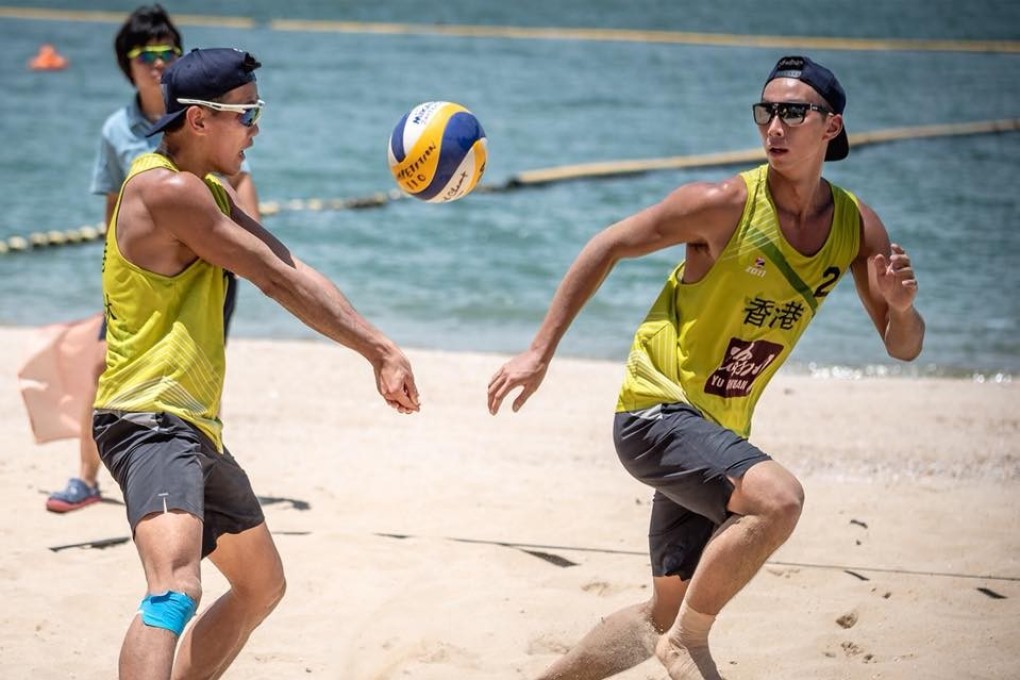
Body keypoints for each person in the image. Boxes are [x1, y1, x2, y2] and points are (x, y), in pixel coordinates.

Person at [487, 55, 924, 680]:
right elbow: (608, 242)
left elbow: (902, 345)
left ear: (831, 126)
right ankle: (690, 643)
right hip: (655, 412)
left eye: (793, 112)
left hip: (717, 433)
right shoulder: (722, 204)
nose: (775, 125)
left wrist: (902, 309)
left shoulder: (856, 227)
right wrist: (540, 351)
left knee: (659, 616)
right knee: (779, 502)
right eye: (766, 111)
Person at [90, 47, 420, 678]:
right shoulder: (167, 190)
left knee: (261, 586)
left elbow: (288, 263)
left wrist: (381, 344)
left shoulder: (209, 190)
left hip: (192, 427)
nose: (257, 129)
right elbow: (273, 280)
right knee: (173, 592)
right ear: (199, 121)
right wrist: (374, 350)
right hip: (148, 419)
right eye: (247, 114)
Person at [45, 4, 261, 513]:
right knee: (104, 366)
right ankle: (84, 476)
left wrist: (246, 244)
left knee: (199, 363)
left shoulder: (211, 114)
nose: (160, 62)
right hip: (140, 278)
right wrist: (116, 280)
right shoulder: (117, 130)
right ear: (128, 63)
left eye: (169, 51)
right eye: (148, 54)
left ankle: (202, 465)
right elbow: (113, 206)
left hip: (206, 258)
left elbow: (238, 180)